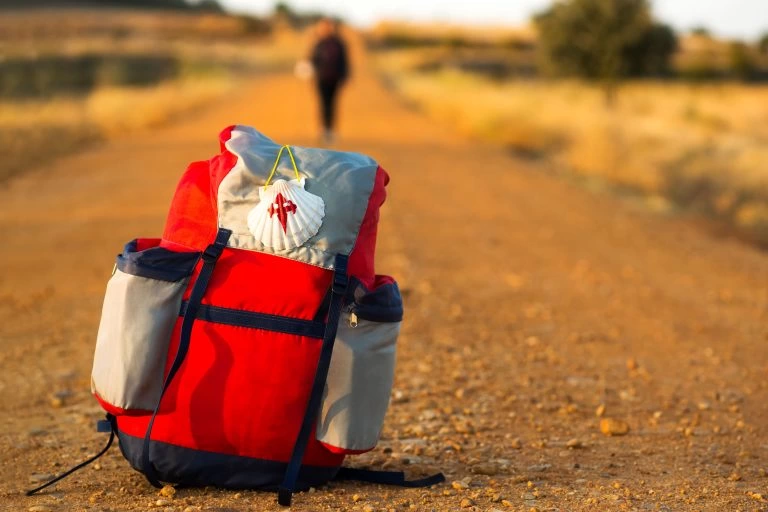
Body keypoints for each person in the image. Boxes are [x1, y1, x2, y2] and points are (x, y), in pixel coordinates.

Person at [310, 18, 349, 144]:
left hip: (335, 79)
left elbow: (344, 61)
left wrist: (344, 76)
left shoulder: (339, 43)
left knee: (332, 104)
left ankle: (331, 130)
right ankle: (324, 130)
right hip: (321, 78)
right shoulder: (318, 43)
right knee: (323, 103)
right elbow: (312, 59)